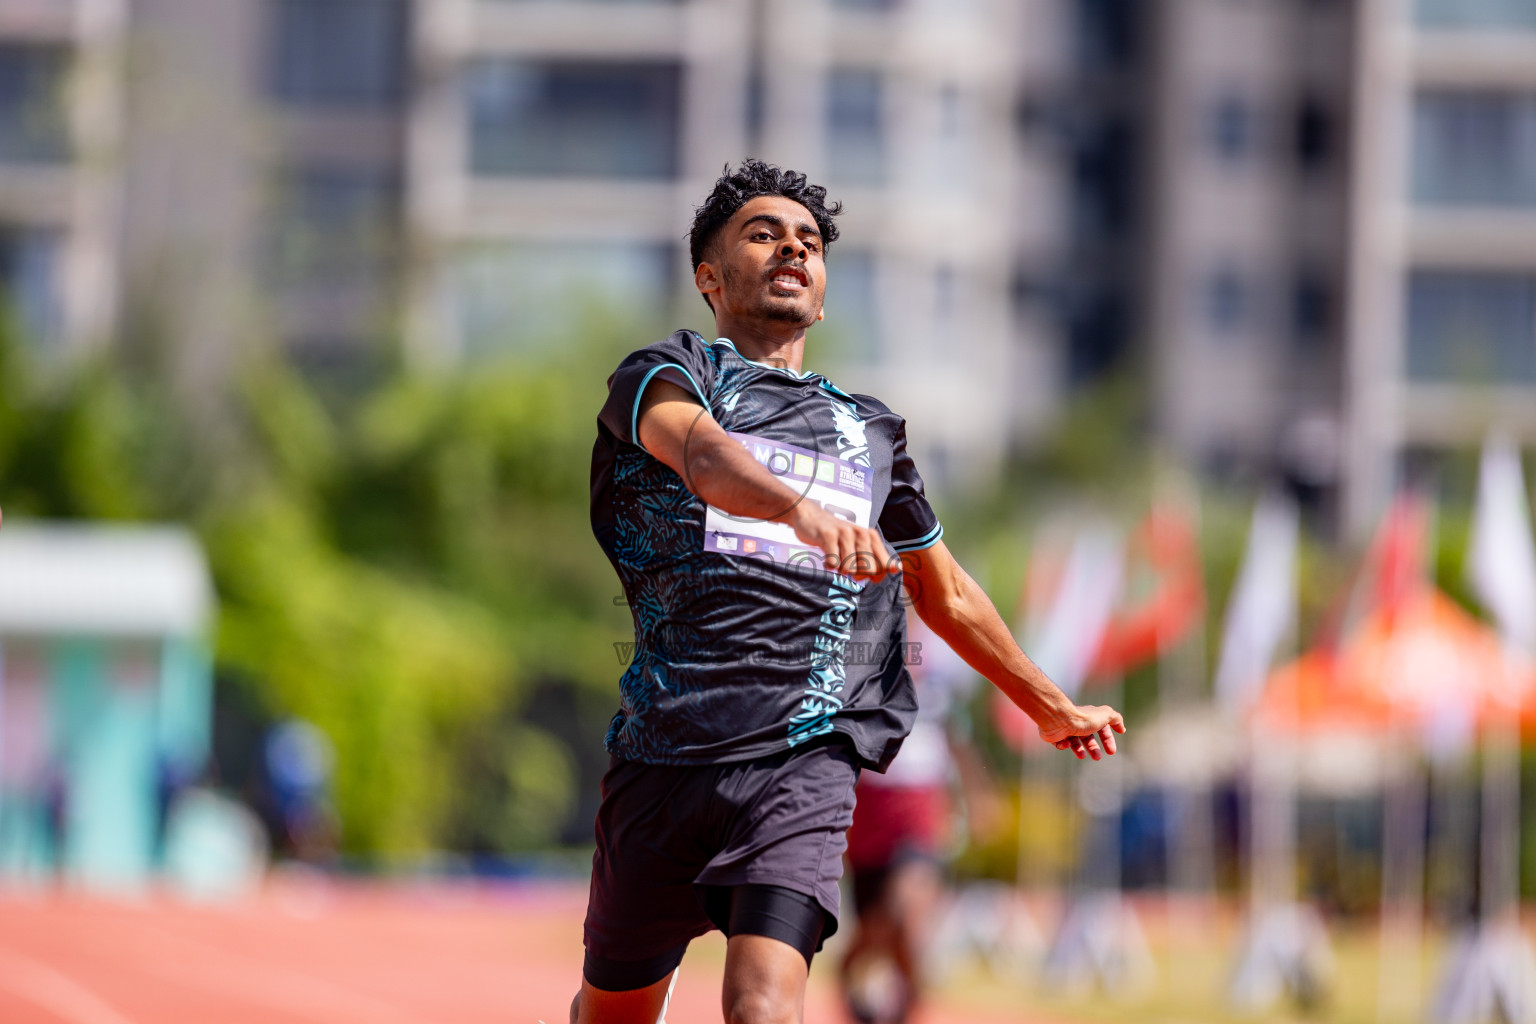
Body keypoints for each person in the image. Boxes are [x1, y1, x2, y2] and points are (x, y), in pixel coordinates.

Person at [577, 159, 1124, 1024]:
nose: (792, 247)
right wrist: (800, 511)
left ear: (823, 292)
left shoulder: (870, 434)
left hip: (801, 756)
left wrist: (1048, 704)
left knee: (764, 1006)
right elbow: (701, 455)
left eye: (809, 242)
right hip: (661, 756)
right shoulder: (665, 373)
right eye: (764, 233)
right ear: (709, 277)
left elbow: (944, 592)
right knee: (616, 1013)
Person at [839, 613, 998, 1024]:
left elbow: (958, 741)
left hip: (919, 817)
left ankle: (905, 1011)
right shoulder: (858, 671)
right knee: (871, 937)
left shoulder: (939, 686)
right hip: (868, 818)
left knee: (906, 919)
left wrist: (979, 796)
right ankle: (855, 993)